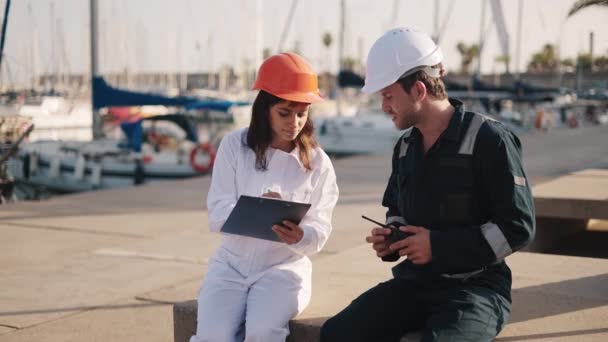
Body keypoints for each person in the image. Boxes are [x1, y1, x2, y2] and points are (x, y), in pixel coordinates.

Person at [320, 27, 535, 341]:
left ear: (419, 90)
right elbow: (397, 207)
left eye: (388, 96)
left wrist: (437, 246)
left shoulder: (490, 140)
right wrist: (393, 240)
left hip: (476, 289)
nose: (383, 107)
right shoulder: (406, 146)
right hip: (415, 284)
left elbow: (518, 227)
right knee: (337, 334)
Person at [190, 52, 339, 342]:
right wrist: (257, 208)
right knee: (212, 336)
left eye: (302, 113)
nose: (294, 123)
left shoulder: (319, 163)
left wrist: (300, 235)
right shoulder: (234, 145)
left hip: (283, 268)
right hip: (230, 265)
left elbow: (321, 228)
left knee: (263, 333)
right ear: (264, 108)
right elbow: (218, 208)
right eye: (284, 112)